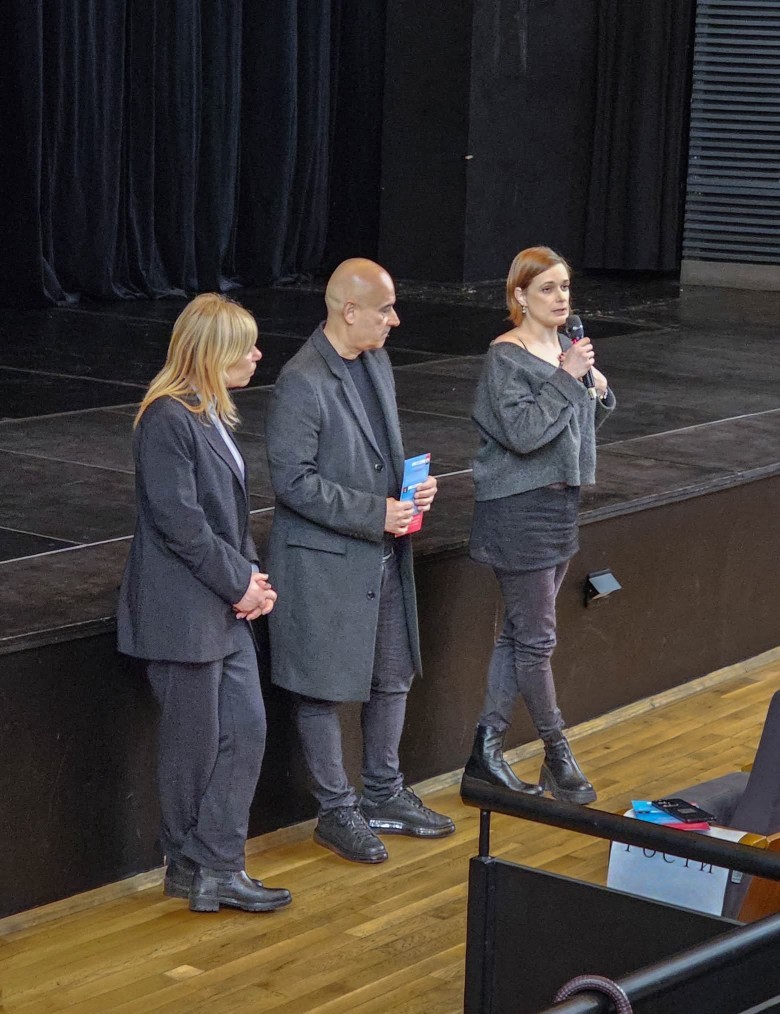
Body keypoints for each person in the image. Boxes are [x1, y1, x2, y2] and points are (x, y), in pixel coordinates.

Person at [264, 258, 455, 863]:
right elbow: (293, 482)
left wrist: (412, 491)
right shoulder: (302, 380)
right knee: (320, 688)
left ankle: (383, 792)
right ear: (350, 311)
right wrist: (376, 512)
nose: (395, 321)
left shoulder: (376, 362)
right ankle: (336, 810)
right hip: (324, 563)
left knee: (391, 674)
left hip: (381, 553)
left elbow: (380, 457)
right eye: (385, 309)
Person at [117, 293, 292, 913]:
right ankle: (198, 868)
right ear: (212, 353)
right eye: (246, 346)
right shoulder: (167, 419)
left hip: (220, 605)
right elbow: (181, 523)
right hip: (183, 614)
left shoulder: (210, 414)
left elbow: (227, 518)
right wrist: (240, 583)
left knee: (246, 729)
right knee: (193, 749)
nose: (258, 355)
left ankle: (213, 862)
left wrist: (252, 580)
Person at [463, 247, 615, 804]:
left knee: (519, 634)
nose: (560, 298)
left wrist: (596, 389)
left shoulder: (564, 350)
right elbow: (524, 434)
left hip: (558, 509)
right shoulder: (505, 357)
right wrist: (567, 378)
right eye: (547, 288)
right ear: (520, 296)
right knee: (536, 640)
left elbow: (572, 431)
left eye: (565, 287)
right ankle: (557, 752)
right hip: (517, 511)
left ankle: (485, 753)